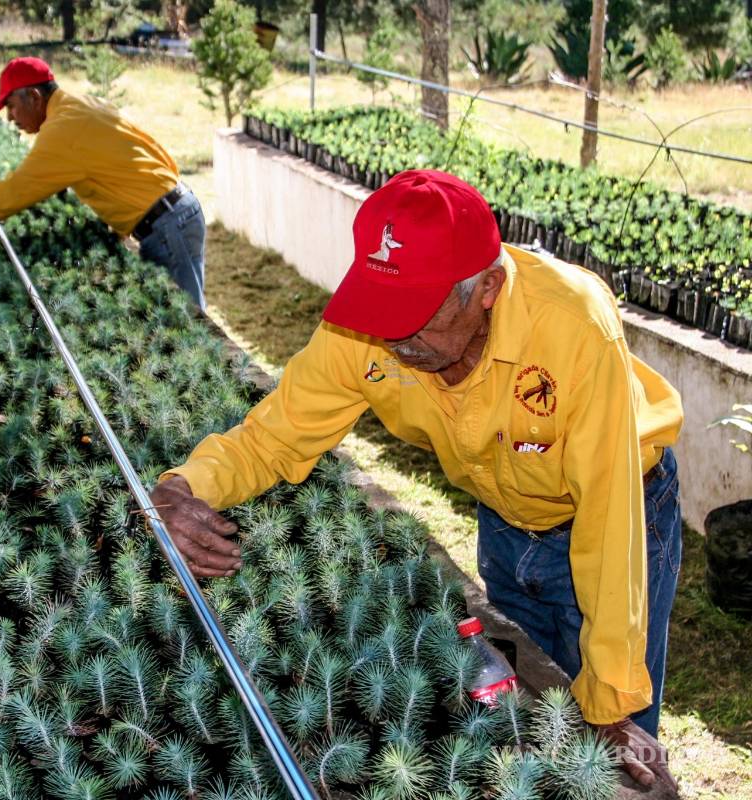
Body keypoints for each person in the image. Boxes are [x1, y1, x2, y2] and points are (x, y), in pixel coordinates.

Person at [151, 170, 683, 791]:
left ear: (487, 288)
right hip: (507, 516)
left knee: (610, 745)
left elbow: (608, 520)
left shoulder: (572, 328)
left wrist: (612, 702)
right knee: (526, 715)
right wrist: (182, 489)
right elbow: (275, 434)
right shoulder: (369, 326)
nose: (393, 337)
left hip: (623, 508)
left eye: (415, 315)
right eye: (381, 308)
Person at [0, 57, 208, 308]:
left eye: (12, 106)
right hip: (178, 211)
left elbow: (8, 196)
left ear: (34, 96)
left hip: (168, 227)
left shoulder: (61, 131)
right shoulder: (84, 103)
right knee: (184, 315)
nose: (10, 117)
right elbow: (148, 148)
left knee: (186, 326)